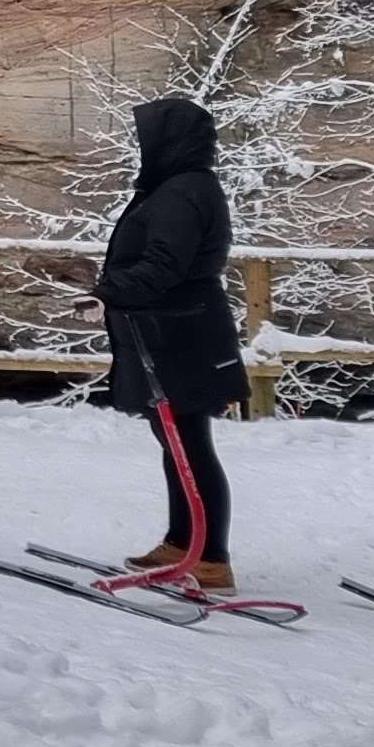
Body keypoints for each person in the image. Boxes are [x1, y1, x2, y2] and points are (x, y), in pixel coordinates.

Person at [93, 95, 252, 584]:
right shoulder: (176, 186)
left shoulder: (183, 191)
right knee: (175, 440)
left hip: (183, 334)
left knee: (190, 443)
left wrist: (107, 292)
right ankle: (183, 541)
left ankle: (212, 557)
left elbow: (164, 265)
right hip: (172, 332)